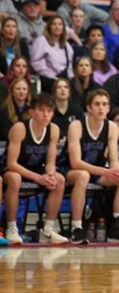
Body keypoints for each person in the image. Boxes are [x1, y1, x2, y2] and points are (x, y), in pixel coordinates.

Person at [66, 89, 119, 244]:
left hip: (96, 170)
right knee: (83, 175)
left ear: (109, 108)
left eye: (104, 104)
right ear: (89, 108)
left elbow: (114, 157)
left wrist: (115, 169)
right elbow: (75, 162)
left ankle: (117, 226)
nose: (101, 108)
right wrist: (104, 170)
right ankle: (76, 227)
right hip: (70, 170)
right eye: (97, 104)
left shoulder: (112, 127)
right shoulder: (76, 126)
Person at [2, 93, 68, 244]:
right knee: (15, 178)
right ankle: (11, 228)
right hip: (14, 169)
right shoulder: (20, 128)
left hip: (36, 170)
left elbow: (51, 161)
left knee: (59, 179)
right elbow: (11, 163)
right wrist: (39, 178)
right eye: (41, 110)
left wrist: (50, 174)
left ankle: (48, 229)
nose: (46, 115)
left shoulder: (54, 129)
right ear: (32, 111)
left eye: (49, 111)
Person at [29, 15, 74, 90]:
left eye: (60, 24)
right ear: (49, 27)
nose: (57, 26)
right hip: (48, 80)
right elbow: (35, 62)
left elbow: (69, 64)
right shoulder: (41, 41)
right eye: (54, 24)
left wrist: (71, 78)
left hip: (63, 79)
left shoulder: (66, 45)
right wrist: (51, 76)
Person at [0, 76, 32, 142]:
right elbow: (4, 134)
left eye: (24, 89)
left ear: (28, 92)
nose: (21, 91)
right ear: (12, 91)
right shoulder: (4, 110)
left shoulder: (32, 110)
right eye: (18, 89)